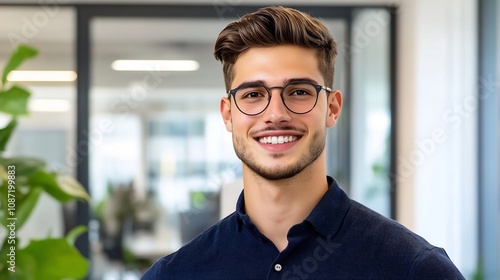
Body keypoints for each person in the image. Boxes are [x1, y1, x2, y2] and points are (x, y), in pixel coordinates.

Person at [142, 6, 464, 279]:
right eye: (253, 95)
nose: (276, 114)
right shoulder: (175, 273)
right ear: (228, 114)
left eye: (299, 92)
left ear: (332, 108)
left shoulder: (414, 269)